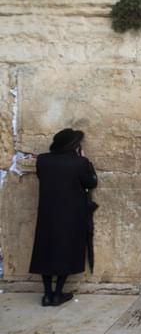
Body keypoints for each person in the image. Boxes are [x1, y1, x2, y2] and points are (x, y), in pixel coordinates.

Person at [29, 128, 98, 307]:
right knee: (66, 251)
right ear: (74, 146)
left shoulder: (42, 160)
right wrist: (86, 161)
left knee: (46, 250)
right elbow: (91, 182)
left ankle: (47, 294)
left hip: (47, 214)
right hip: (70, 215)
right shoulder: (79, 163)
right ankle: (58, 293)